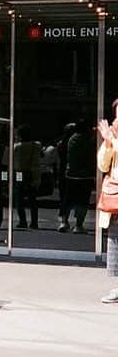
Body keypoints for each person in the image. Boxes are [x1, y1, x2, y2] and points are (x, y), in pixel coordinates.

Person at [97, 105, 118, 303]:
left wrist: (112, 140)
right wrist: (107, 143)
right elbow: (103, 165)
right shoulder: (113, 138)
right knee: (115, 242)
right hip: (115, 198)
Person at [65, 120, 96, 234]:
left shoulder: (71, 139)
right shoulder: (90, 140)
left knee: (68, 199)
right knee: (82, 201)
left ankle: (64, 222)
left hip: (71, 173)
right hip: (85, 175)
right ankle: (78, 225)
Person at [12, 125, 41, 230]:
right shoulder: (36, 145)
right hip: (32, 173)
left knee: (19, 198)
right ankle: (34, 222)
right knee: (32, 199)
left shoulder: (17, 146)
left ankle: (22, 221)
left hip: (19, 173)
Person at [56, 123, 76, 232]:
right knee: (75, 198)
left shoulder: (61, 143)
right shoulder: (75, 142)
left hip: (63, 172)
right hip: (74, 172)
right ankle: (77, 223)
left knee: (64, 197)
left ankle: (64, 220)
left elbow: (59, 160)